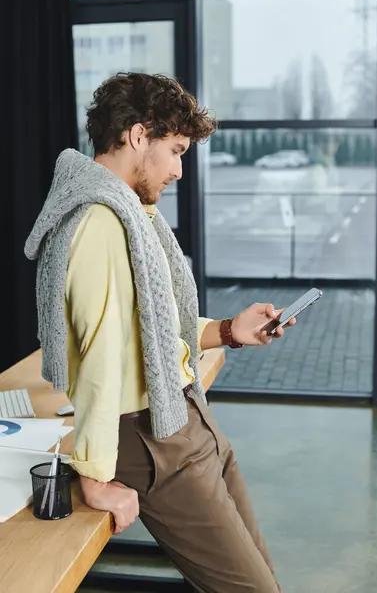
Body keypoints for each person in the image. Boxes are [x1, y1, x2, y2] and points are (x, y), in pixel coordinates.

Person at [25, 73, 295, 593]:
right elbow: (104, 357)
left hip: (185, 420)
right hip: (151, 439)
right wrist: (96, 479)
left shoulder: (130, 214)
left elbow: (149, 325)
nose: (177, 170)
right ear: (136, 135)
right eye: (173, 151)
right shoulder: (102, 222)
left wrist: (228, 331)